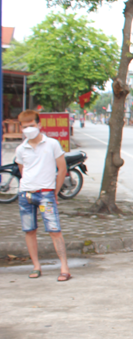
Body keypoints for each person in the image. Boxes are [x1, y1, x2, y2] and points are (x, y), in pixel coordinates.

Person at [15, 110, 71, 281]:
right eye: (25, 127)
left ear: (39, 125)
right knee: (30, 230)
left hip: (45, 194)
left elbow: (62, 169)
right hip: (26, 194)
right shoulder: (20, 149)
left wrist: (54, 192)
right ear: (21, 129)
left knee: (54, 230)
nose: (29, 129)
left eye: (31, 125)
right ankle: (36, 266)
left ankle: (64, 267)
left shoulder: (52, 144)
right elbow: (23, 172)